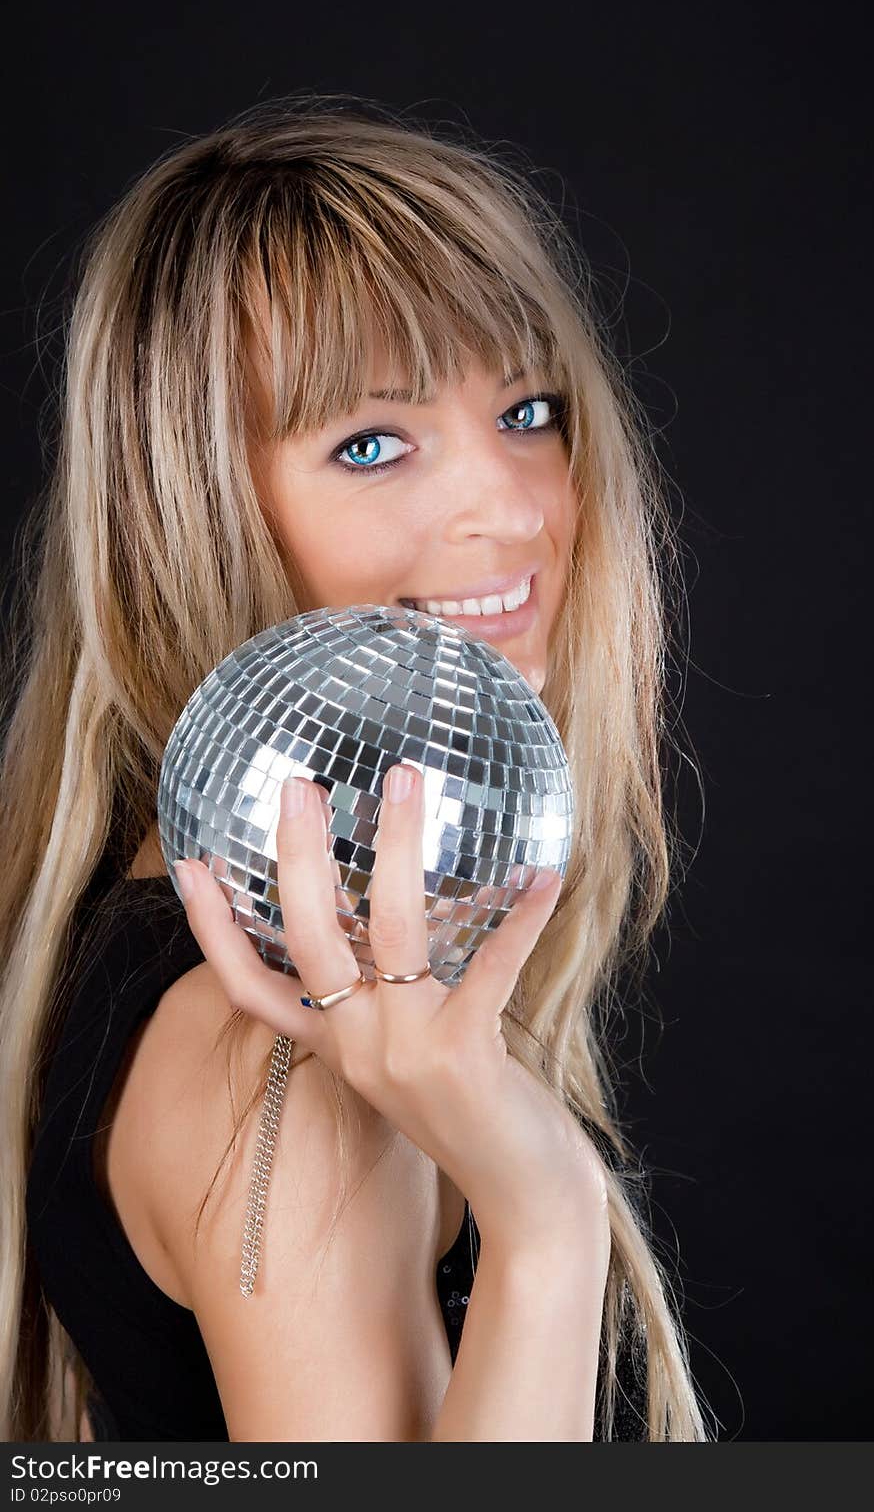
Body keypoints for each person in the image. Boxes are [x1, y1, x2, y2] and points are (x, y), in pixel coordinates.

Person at [0, 95, 712, 1442]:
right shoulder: (294, 1068)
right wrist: (546, 1217)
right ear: (190, 510)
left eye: (530, 406)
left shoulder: (183, 916)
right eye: (371, 444)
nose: (510, 506)